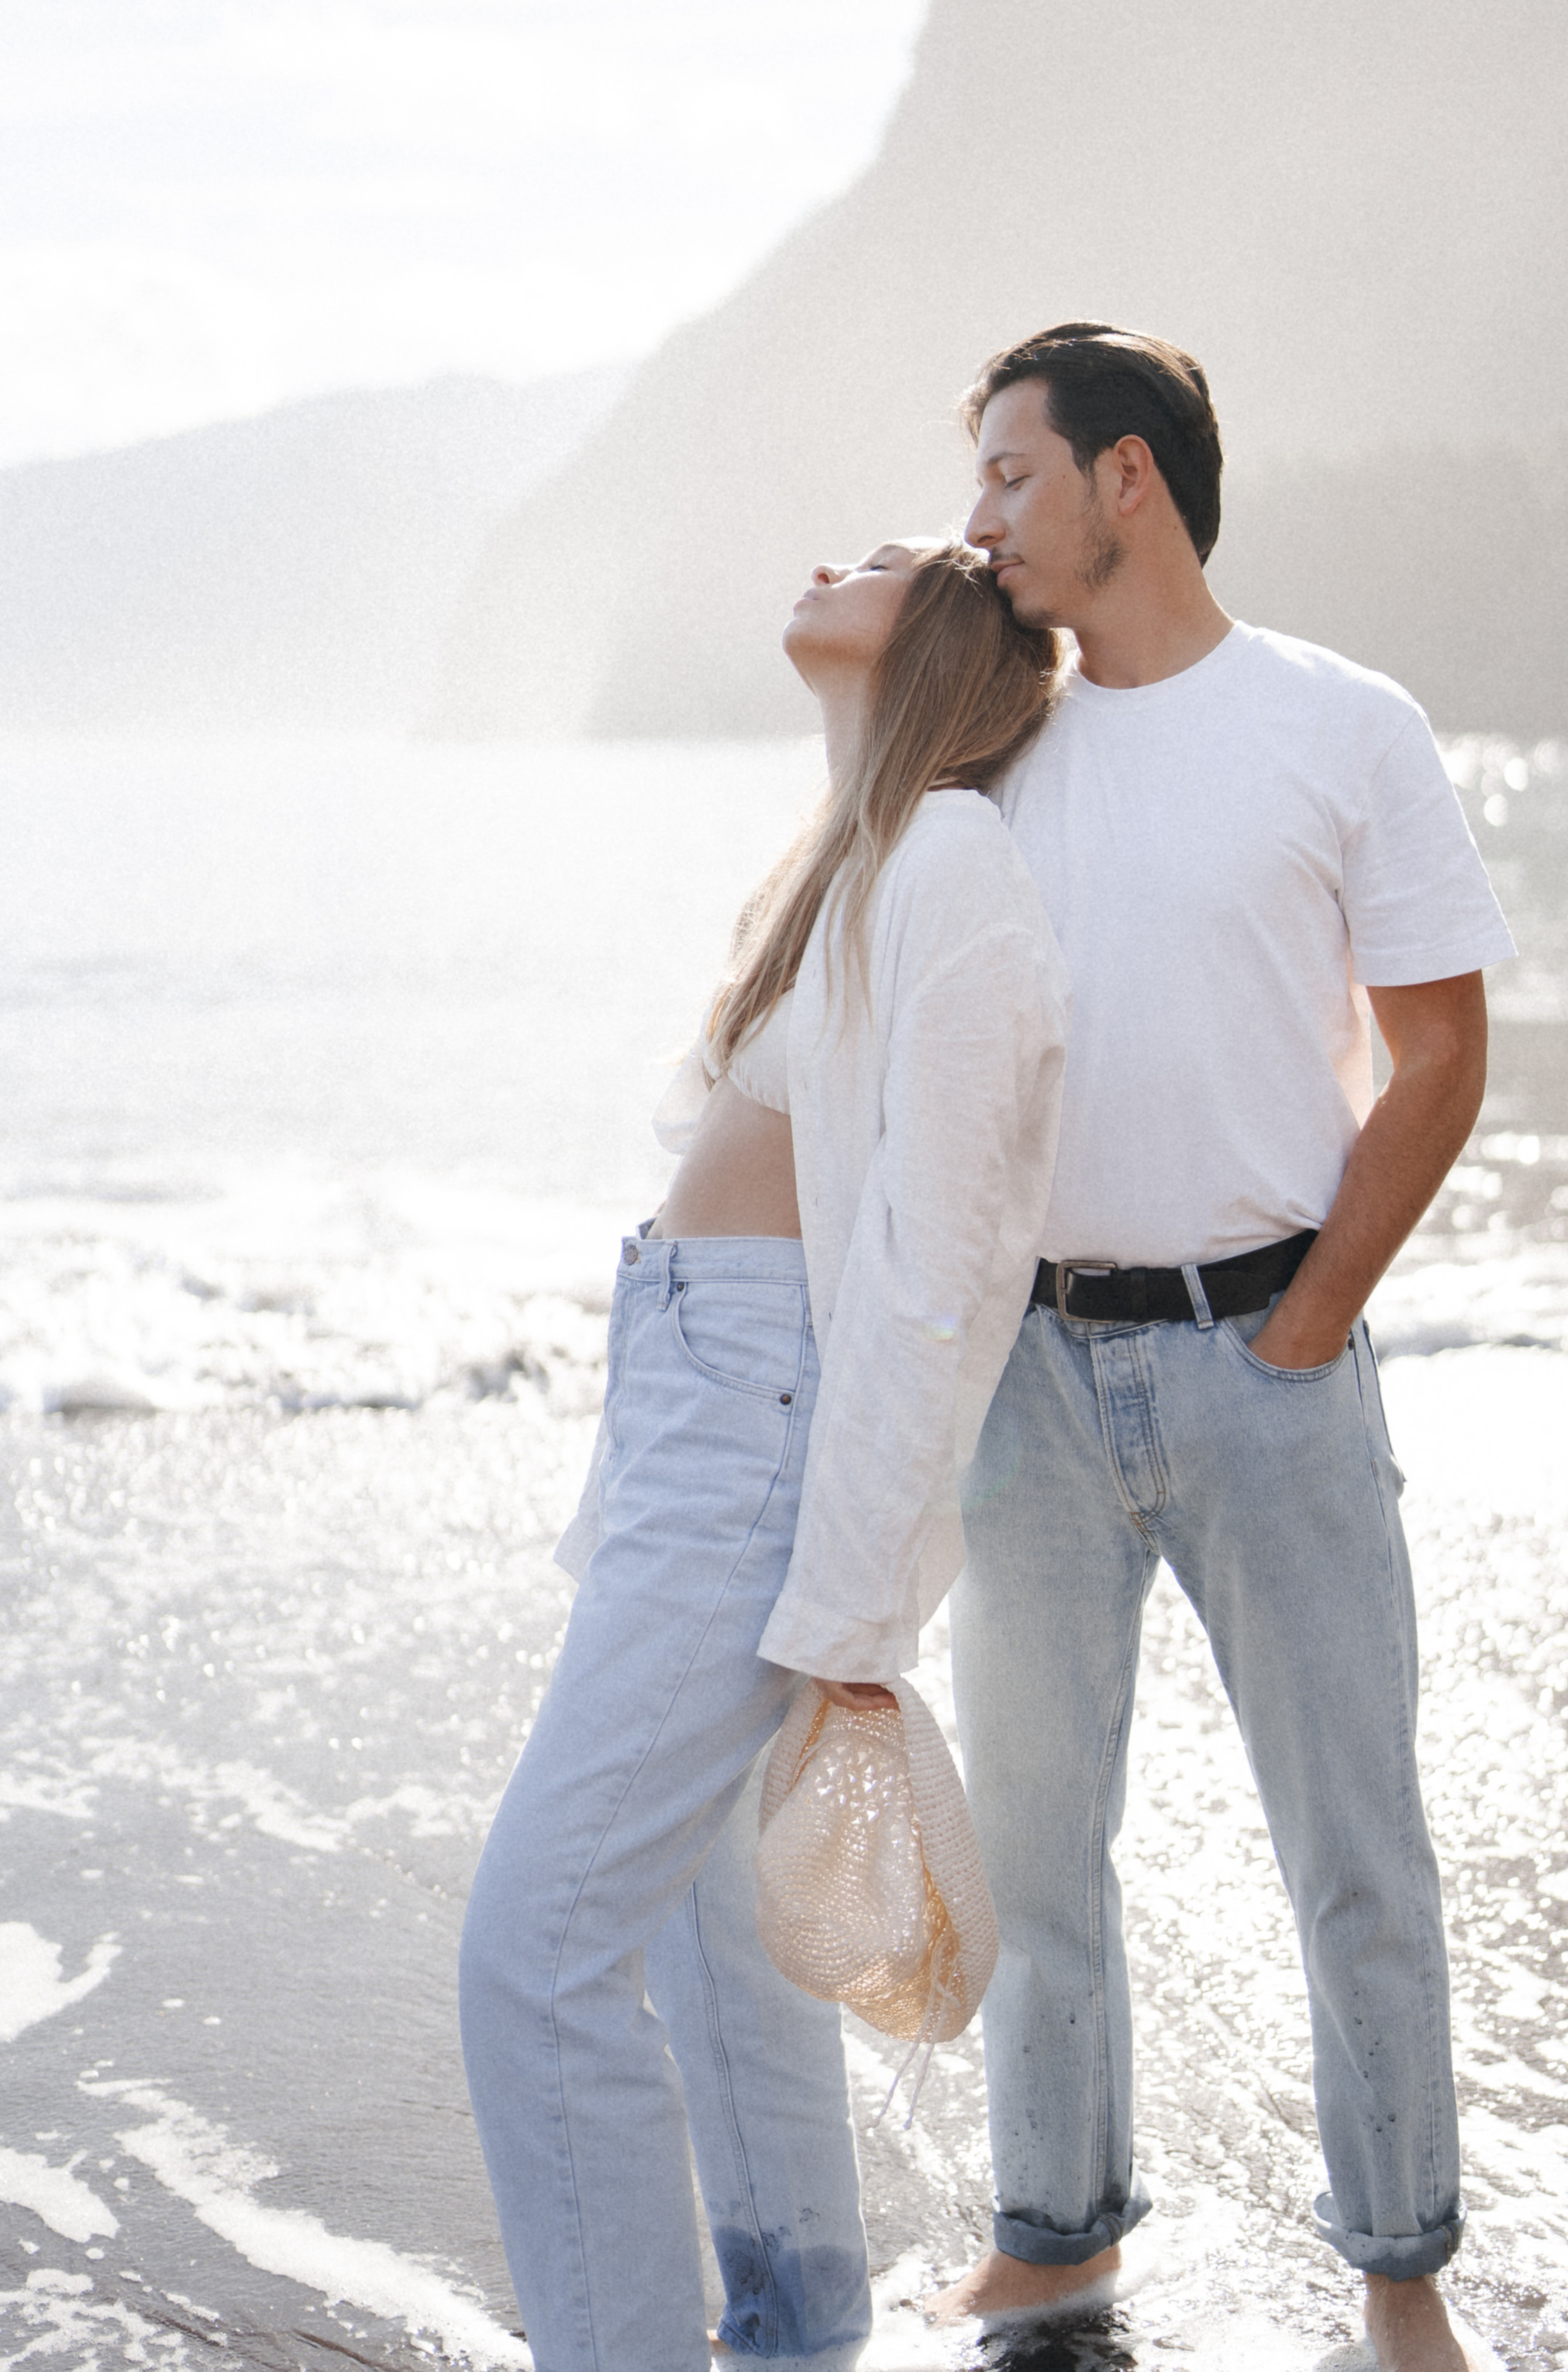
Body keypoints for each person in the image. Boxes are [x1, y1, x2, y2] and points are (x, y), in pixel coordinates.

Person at [936, 325, 1515, 2372]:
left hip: (1266, 1357)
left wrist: (1307, 1329)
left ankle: (1400, 2271)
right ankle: (1054, 2241)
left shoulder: (1345, 727)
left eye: (1010, 476)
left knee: (1354, 1847)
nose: (979, 519)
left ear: (1128, 484)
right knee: (1033, 1863)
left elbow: (1441, 1059)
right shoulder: (990, 743)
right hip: (1032, 1374)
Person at [459, 537, 1068, 2372]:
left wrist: (853, 1593)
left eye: (883, 557)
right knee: (721, 1943)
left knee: (537, 1950)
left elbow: (938, 1259)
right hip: (704, 1395)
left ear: (943, 636)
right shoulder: (860, 863)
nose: (834, 558)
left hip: (760, 1418)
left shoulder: (954, 859)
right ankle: (794, 2334)